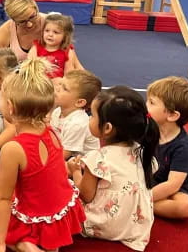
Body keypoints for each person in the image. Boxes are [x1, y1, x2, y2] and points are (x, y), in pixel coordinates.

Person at [0, 58, 86, 252]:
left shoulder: (13, 149)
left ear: (10, 107)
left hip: (37, 214)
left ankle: (27, 246)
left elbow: (3, 198)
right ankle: (48, 242)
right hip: (60, 212)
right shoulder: (51, 131)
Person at [67, 86, 159, 251]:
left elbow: (86, 196)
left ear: (107, 128)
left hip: (103, 224)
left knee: (61, 192)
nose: (89, 119)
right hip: (135, 225)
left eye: (92, 116)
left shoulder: (98, 158)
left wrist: (74, 172)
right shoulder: (142, 151)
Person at [147, 76, 188, 219]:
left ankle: (140, 204)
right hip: (148, 180)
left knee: (186, 207)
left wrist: (141, 197)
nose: (146, 106)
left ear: (172, 115)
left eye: (151, 103)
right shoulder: (147, 130)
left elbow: (172, 185)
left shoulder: (184, 147)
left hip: (175, 190)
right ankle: (141, 202)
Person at [0, 0, 85, 67]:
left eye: (32, 17)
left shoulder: (53, 25)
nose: (29, 24)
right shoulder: (6, 30)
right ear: (13, 20)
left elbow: (75, 63)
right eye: (22, 22)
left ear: (36, 8)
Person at [50, 70, 102, 160]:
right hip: (66, 152)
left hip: (85, 162)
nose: (57, 88)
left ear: (79, 102)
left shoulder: (77, 123)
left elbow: (64, 155)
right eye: (60, 84)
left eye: (64, 88)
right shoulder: (57, 111)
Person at [28, 12, 82, 78]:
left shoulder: (67, 52)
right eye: (47, 31)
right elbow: (30, 68)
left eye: (55, 32)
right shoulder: (36, 47)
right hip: (39, 83)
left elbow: (68, 75)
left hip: (59, 85)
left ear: (65, 36)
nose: (50, 35)